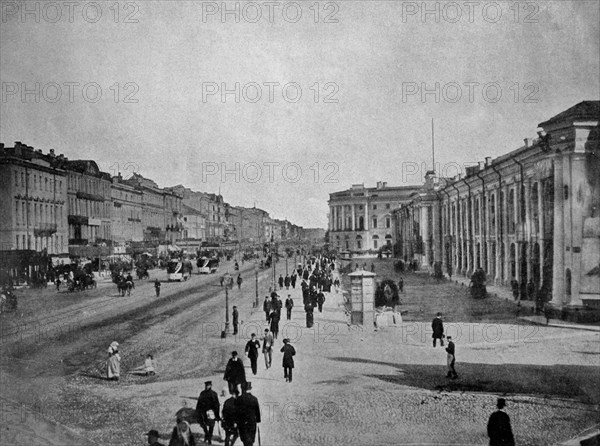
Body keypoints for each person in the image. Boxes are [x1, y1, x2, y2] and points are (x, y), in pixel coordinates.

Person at [196, 381, 221, 445]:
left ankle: (208, 437)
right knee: (206, 425)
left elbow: (216, 404)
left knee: (209, 425)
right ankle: (207, 435)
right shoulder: (205, 393)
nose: (207, 387)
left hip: (209, 412)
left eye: (208, 385)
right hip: (206, 412)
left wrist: (216, 414)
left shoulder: (211, 394)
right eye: (206, 385)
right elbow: (199, 403)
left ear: (210, 386)